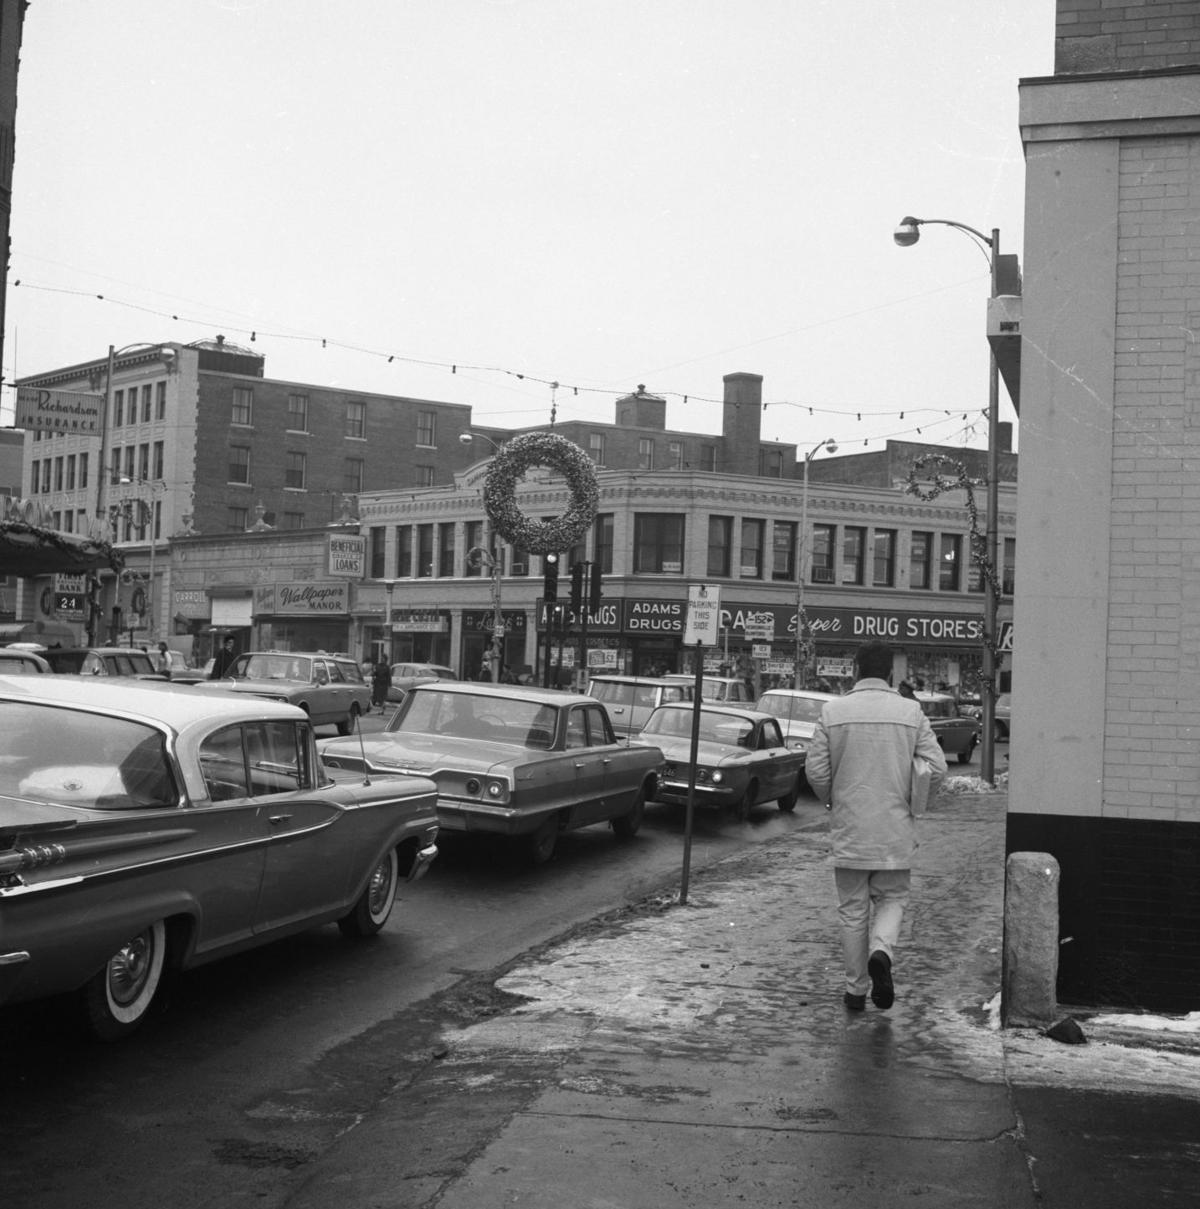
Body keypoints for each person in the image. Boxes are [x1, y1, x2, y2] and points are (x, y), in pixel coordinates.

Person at [805, 640, 947, 1013]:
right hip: (894, 829)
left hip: (850, 828)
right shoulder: (911, 712)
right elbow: (938, 768)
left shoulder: (832, 712)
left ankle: (855, 991)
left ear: (855, 670)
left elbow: (816, 771)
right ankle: (881, 951)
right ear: (889, 674)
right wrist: (914, 800)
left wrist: (834, 801)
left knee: (852, 911)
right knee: (893, 899)